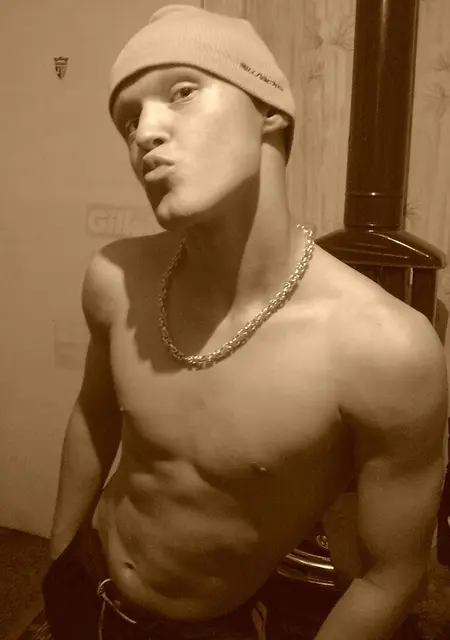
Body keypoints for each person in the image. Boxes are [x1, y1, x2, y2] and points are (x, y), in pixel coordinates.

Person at [42, 5, 449, 640]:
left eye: (182, 91)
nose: (145, 133)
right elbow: (93, 417)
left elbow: (392, 575)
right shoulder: (115, 278)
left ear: (270, 110)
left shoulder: (385, 349)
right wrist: (59, 562)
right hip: (85, 581)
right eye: (128, 120)